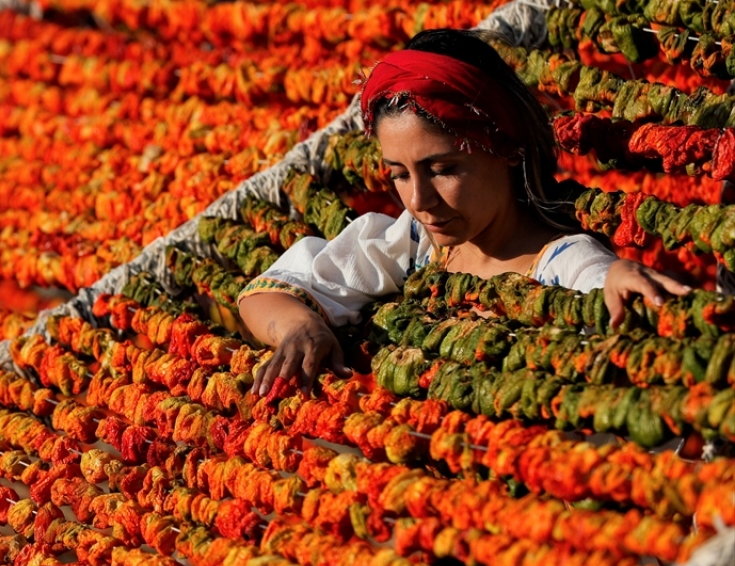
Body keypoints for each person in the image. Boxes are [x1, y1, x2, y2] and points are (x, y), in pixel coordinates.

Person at [238, 29, 691, 396]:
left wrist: (614, 277)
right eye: (398, 174)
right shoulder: (414, 246)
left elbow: (601, 282)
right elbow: (267, 294)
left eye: (441, 169)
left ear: (507, 147)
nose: (418, 200)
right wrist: (303, 327)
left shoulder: (560, 266)